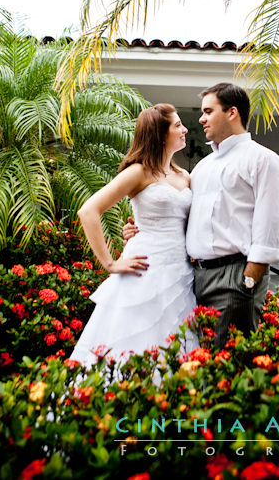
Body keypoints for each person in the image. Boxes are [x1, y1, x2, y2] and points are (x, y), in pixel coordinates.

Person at [124, 83, 279, 348]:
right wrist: (141, 230)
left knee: (226, 362)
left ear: (232, 113)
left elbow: (274, 220)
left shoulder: (263, 160)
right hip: (193, 277)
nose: (201, 118)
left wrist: (249, 277)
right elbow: (181, 216)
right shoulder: (202, 168)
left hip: (234, 276)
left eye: (208, 111)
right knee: (197, 356)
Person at [71, 103, 197, 368]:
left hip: (180, 273)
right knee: (134, 339)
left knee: (176, 341)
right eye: (177, 125)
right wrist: (110, 263)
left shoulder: (185, 176)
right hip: (144, 269)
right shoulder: (138, 172)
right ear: (161, 134)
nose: (185, 129)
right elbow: (89, 211)